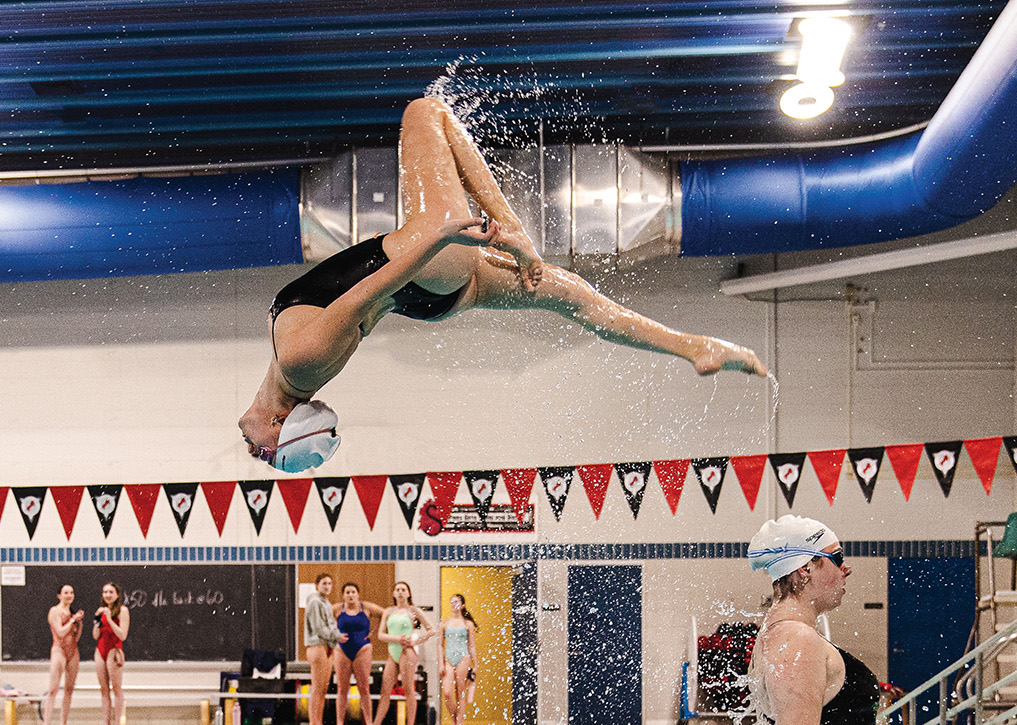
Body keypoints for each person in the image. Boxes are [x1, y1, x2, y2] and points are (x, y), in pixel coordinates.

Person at [239, 97, 767, 472]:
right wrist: (444, 237)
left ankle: (696, 347)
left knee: (575, 299)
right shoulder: (301, 362)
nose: (251, 450)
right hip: (424, 265)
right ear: (281, 420)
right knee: (425, 111)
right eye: (265, 451)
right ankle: (512, 226)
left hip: (431, 291)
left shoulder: (295, 369)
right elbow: (371, 287)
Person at [746, 515, 890, 725]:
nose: (846, 568)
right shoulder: (795, 640)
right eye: (837, 558)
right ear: (805, 569)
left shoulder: (780, 634)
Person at [373, 581, 436, 725]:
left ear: (408, 593)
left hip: (407, 652)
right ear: (394, 593)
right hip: (392, 652)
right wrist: (396, 639)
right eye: (397, 589)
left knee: (408, 689)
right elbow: (381, 635)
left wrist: (416, 640)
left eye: (403, 590)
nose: (400, 592)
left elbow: (431, 629)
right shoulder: (388, 611)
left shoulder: (413, 610)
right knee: (385, 691)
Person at [332, 582, 386, 725]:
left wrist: (376, 630)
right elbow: (323, 622)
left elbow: (385, 613)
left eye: (353, 592)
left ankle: (369, 724)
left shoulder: (366, 607)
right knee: (342, 689)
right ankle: (339, 724)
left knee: (364, 688)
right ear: (343, 595)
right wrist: (334, 635)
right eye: (347, 592)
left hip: (363, 649)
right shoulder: (337, 609)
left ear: (358, 594)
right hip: (342, 650)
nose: (350, 595)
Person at [41, 585, 83, 725]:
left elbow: (76, 637)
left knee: (69, 689)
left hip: (73, 651)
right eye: (66, 593)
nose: (69, 595)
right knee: (53, 688)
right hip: (59, 650)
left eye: (71, 592)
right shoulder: (55, 611)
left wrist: (77, 622)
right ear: (59, 595)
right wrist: (72, 621)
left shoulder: (73, 614)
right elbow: (60, 632)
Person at [303, 573, 342, 725]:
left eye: (329, 583)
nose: (327, 586)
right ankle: (313, 724)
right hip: (317, 646)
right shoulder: (314, 602)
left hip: (326, 646)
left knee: (323, 688)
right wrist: (337, 636)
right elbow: (319, 628)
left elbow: (330, 624)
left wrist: (335, 637)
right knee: (317, 687)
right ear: (317, 584)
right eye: (324, 583)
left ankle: (318, 722)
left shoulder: (326, 602)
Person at [92, 581, 130, 725]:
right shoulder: (101, 611)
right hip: (100, 649)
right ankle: (105, 724)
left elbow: (123, 634)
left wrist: (108, 619)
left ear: (117, 595)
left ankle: (117, 724)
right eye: (105, 592)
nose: (107, 595)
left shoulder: (123, 610)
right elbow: (95, 635)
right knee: (103, 689)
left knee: (116, 688)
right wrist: (97, 619)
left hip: (114, 650)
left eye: (110, 592)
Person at [439, 593, 479, 725]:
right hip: (449, 659)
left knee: (460, 692)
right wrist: (440, 663)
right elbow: (439, 645)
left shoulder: (468, 624)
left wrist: (476, 665)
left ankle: (458, 724)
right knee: (447, 692)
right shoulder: (444, 624)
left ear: (462, 605)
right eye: (451, 602)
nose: (453, 604)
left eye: (456, 602)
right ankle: (454, 718)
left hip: (463, 657)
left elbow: (471, 645)